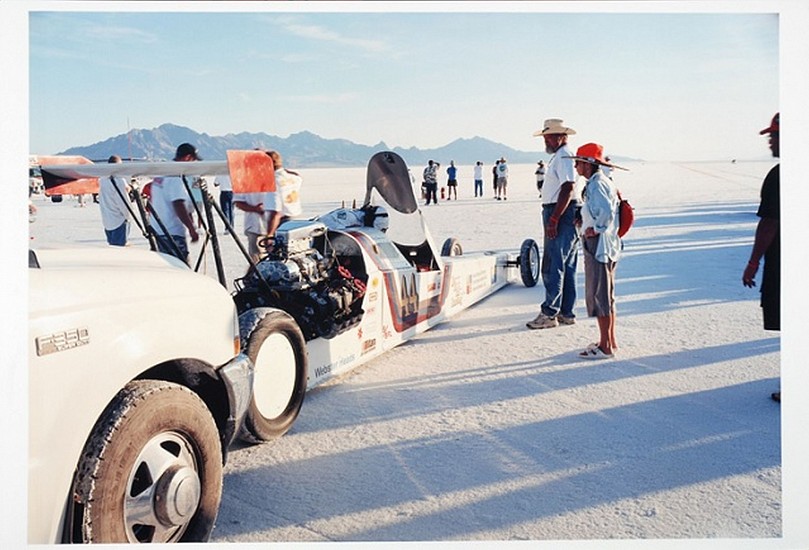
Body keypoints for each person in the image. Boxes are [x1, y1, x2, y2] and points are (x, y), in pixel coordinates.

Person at [566, 143, 625, 359]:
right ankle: (608, 341)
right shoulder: (599, 182)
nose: (575, 166)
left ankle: (605, 348)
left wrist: (595, 229)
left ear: (589, 164)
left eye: (578, 162)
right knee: (607, 295)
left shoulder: (597, 184)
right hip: (606, 245)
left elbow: (607, 212)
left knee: (600, 295)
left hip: (600, 246)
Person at [527, 118, 579, 330]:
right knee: (566, 264)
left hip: (560, 211)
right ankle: (566, 312)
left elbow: (568, 187)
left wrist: (555, 218)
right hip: (563, 210)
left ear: (561, 137)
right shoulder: (560, 156)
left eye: (549, 136)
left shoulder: (564, 156)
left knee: (553, 264)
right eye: (545, 137)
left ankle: (550, 313)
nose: (546, 141)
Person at [742, 112, 780, 402]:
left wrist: (754, 262)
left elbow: (769, 223)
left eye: (774, 136)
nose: (770, 142)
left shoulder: (781, 175)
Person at [148, 143, 201, 264]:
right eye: (193, 160)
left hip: (159, 228)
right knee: (179, 268)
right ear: (187, 158)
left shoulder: (163, 172)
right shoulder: (175, 176)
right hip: (171, 231)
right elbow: (178, 205)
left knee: (165, 267)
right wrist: (192, 229)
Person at [266, 150, 303, 236]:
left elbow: (275, 213)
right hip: (296, 220)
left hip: (282, 223)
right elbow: (298, 176)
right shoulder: (294, 178)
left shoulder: (274, 182)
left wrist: (269, 234)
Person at [98, 154, 132, 246]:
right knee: (121, 251)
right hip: (118, 222)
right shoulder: (119, 181)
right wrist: (128, 216)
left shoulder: (102, 180)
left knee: (112, 249)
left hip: (107, 222)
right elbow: (123, 203)